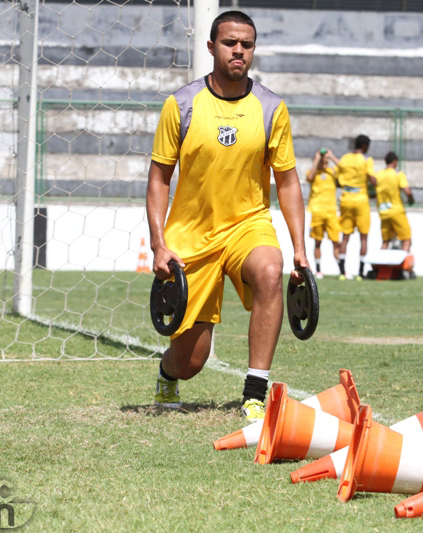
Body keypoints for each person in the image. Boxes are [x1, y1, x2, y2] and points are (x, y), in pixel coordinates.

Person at [146, 11, 308, 420]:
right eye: (230, 43)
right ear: (211, 46)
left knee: (270, 270)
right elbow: (159, 179)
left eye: (246, 44)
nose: (239, 51)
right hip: (191, 235)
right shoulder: (181, 105)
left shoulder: (271, 108)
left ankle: (254, 393)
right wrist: (158, 244)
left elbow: (288, 182)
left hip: (247, 226)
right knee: (191, 361)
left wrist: (300, 248)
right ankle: (167, 373)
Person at [330, 135, 375, 280]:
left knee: (345, 237)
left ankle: (342, 272)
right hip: (361, 200)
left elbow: (337, 179)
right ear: (365, 146)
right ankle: (360, 272)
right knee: (363, 238)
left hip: (346, 199)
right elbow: (372, 179)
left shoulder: (344, 158)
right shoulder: (366, 160)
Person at [306, 148, 340, 279]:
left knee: (336, 241)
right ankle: (319, 270)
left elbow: (345, 171)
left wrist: (332, 157)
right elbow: (309, 177)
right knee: (318, 241)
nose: (323, 158)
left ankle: (342, 270)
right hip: (317, 211)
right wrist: (316, 160)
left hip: (331, 211)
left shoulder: (332, 171)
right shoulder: (313, 171)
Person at [375, 151, 414, 255]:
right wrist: (411, 199)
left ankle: (380, 263)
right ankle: (403, 262)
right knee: (406, 239)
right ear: (395, 161)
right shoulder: (398, 174)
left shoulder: (378, 174)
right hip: (396, 211)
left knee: (385, 242)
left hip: (383, 212)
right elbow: (407, 191)